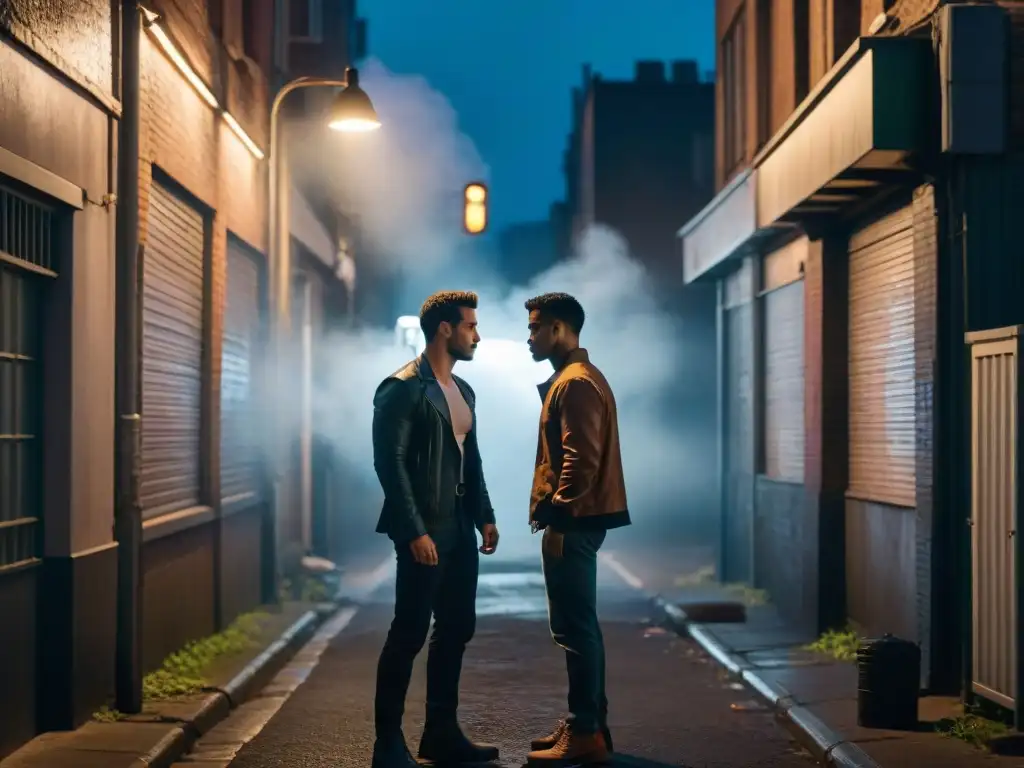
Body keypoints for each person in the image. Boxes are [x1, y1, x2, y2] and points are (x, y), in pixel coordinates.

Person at [371, 290, 501, 768]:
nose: (477, 335)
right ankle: (387, 745)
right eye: (470, 325)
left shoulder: (463, 390)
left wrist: (484, 515)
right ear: (445, 328)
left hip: (460, 531)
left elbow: (471, 459)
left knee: (456, 628)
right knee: (408, 632)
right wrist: (414, 531)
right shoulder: (401, 388)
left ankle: (441, 734)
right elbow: (391, 464)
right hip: (424, 532)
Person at [523, 292, 630, 766]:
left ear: (559, 329)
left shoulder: (577, 383)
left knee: (574, 627)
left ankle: (586, 731)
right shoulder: (575, 379)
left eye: (535, 328)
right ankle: (588, 724)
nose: (529, 337)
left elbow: (579, 462)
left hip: (575, 523)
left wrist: (560, 518)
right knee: (577, 625)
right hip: (579, 520)